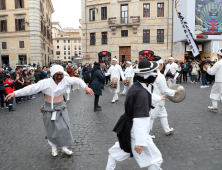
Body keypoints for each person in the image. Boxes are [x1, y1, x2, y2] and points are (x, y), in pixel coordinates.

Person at [5, 65, 94, 156]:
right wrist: (15, 93)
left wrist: (86, 87)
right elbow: (31, 89)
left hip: (61, 108)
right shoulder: (45, 83)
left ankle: (64, 147)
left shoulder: (66, 80)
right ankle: (54, 148)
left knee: (65, 127)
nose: (59, 77)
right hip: (49, 109)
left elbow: (77, 80)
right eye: (57, 75)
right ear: (52, 75)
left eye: (61, 75)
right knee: (52, 129)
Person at [106, 59, 165, 170]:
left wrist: (159, 98)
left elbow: (147, 96)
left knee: (115, 153)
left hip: (129, 128)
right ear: (149, 76)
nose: (157, 75)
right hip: (135, 132)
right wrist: (140, 142)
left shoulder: (137, 86)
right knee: (156, 160)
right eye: (155, 73)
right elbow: (140, 120)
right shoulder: (141, 93)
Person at [150, 56, 178, 136]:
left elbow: (156, 85)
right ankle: (146, 134)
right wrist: (174, 92)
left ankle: (167, 129)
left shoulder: (152, 73)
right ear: (160, 64)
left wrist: (163, 84)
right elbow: (164, 91)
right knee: (151, 117)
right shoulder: (160, 76)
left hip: (157, 99)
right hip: (157, 99)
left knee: (163, 115)